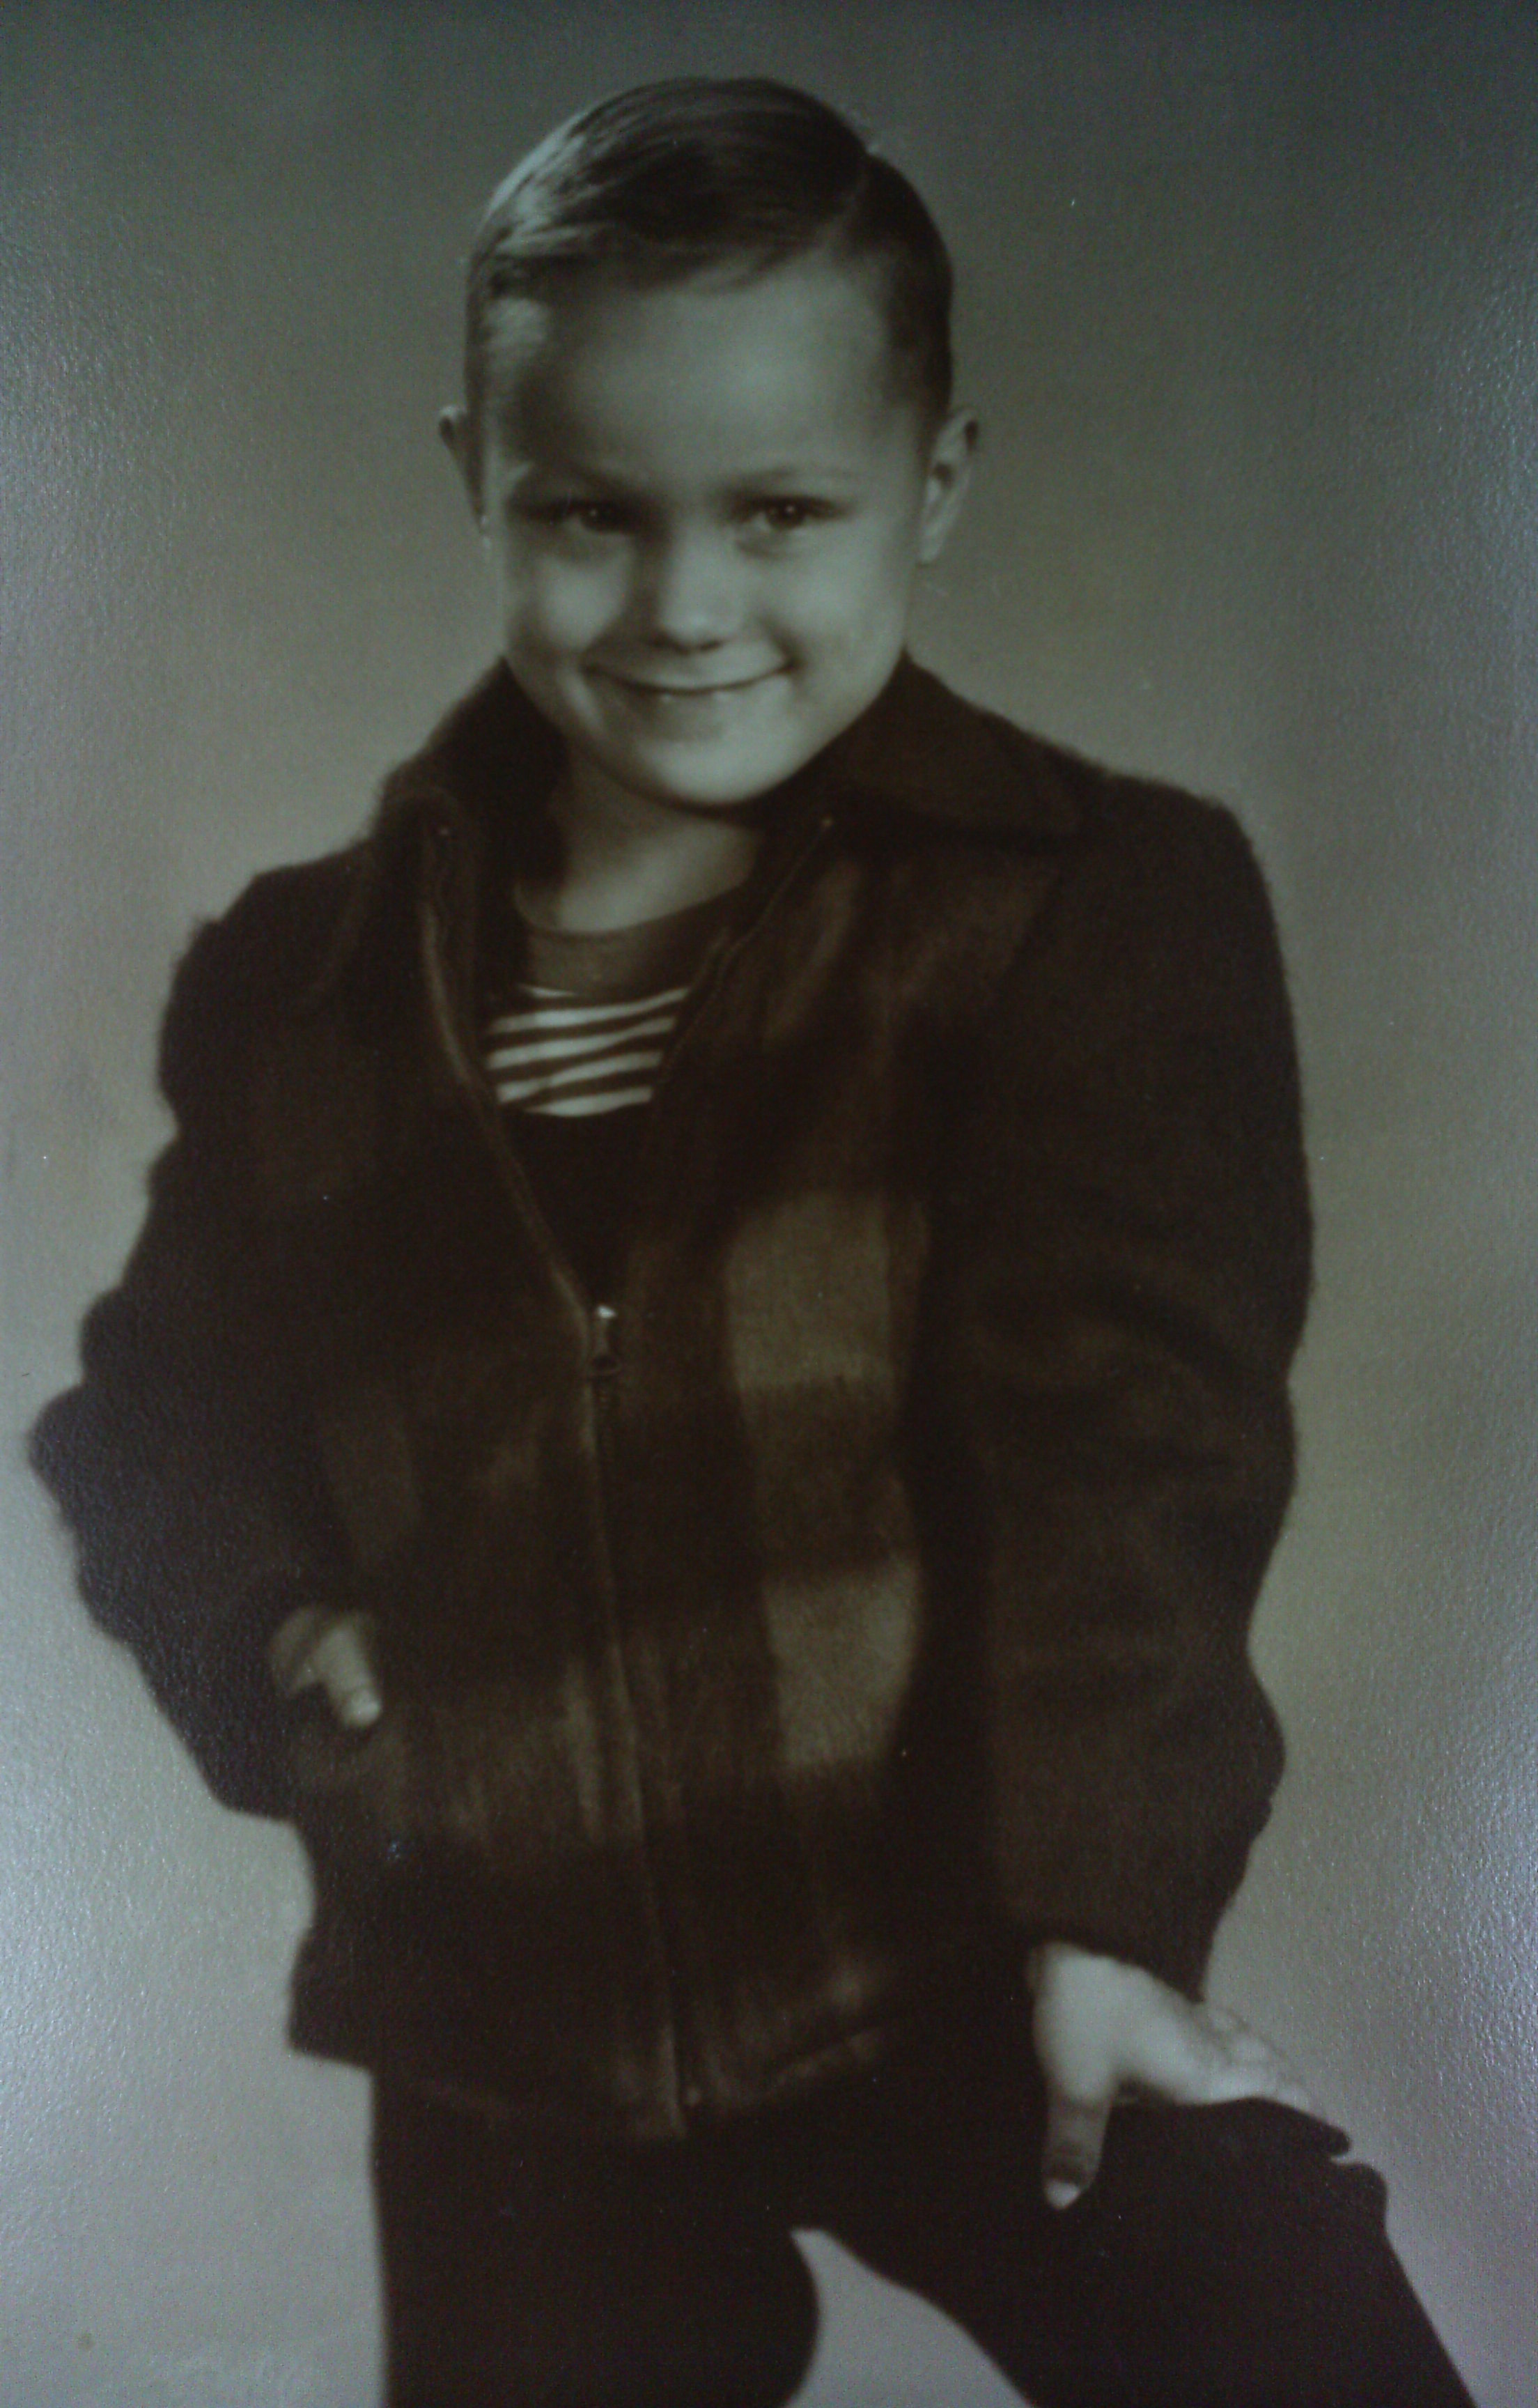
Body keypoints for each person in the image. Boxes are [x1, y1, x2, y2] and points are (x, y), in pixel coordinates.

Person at [30, 76, 1474, 2408]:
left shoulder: (1077, 910)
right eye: (590, 514)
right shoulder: (309, 983)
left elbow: (1132, 1454)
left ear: (938, 483)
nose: (687, 606)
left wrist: (1109, 1910)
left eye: (781, 511)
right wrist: (276, 1631)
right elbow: (146, 1416)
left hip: (957, 1945)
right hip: (507, 2015)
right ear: (476, 481)